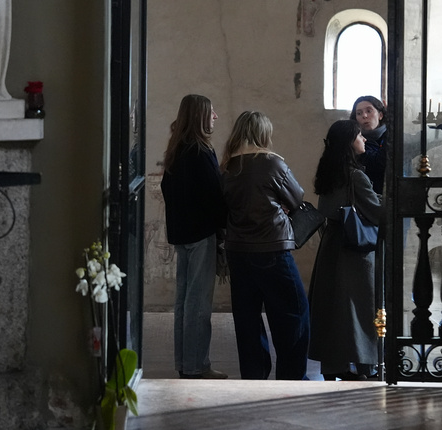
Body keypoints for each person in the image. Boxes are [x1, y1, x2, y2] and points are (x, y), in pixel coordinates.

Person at [220, 111, 310, 380]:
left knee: (247, 319)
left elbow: (224, 208)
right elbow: (297, 198)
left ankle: (254, 376)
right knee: (293, 312)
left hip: (237, 250)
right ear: (263, 133)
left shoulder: (227, 166)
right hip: (271, 247)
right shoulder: (271, 163)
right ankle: (292, 376)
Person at [308, 119, 387, 381]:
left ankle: (333, 367)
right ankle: (366, 365)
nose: (364, 139)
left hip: (332, 246)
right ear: (347, 142)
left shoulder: (330, 173)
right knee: (359, 311)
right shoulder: (356, 176)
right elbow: (378, 213)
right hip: (354, 252)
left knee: (333, 309)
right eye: (358, 136)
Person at [161, 94, 229, 379]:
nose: (215, 117)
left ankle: (184, 363)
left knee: (183, 303)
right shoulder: (201, 151)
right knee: (199, 305)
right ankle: (196, 366)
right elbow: (215, 195)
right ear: (201, 116)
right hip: (201, 233)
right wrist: (223, 228)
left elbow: (167, 190)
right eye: (211, 112)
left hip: (181, 233)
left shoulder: (176, 149)